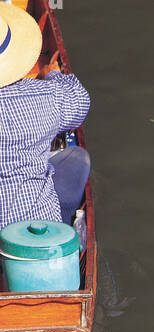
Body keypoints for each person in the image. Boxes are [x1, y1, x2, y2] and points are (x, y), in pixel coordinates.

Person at [0, 5, 90, 231]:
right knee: (78, 158)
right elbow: (80, 102)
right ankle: (66, 227)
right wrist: (52, 74)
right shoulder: (43, 96)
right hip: (36, 233)